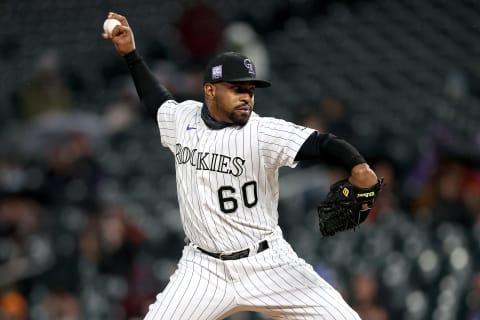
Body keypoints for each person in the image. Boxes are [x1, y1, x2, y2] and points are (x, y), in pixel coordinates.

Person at [102, 12, 379, 320]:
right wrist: (130, 55)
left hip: (268, 262)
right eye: (237, 89)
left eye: (250, 90)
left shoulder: (262, 132)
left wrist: (358, 166)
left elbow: (322, 143)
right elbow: (156, 100)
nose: (246, 97)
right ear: (210, 91)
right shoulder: (184, 119)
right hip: (203, 269)